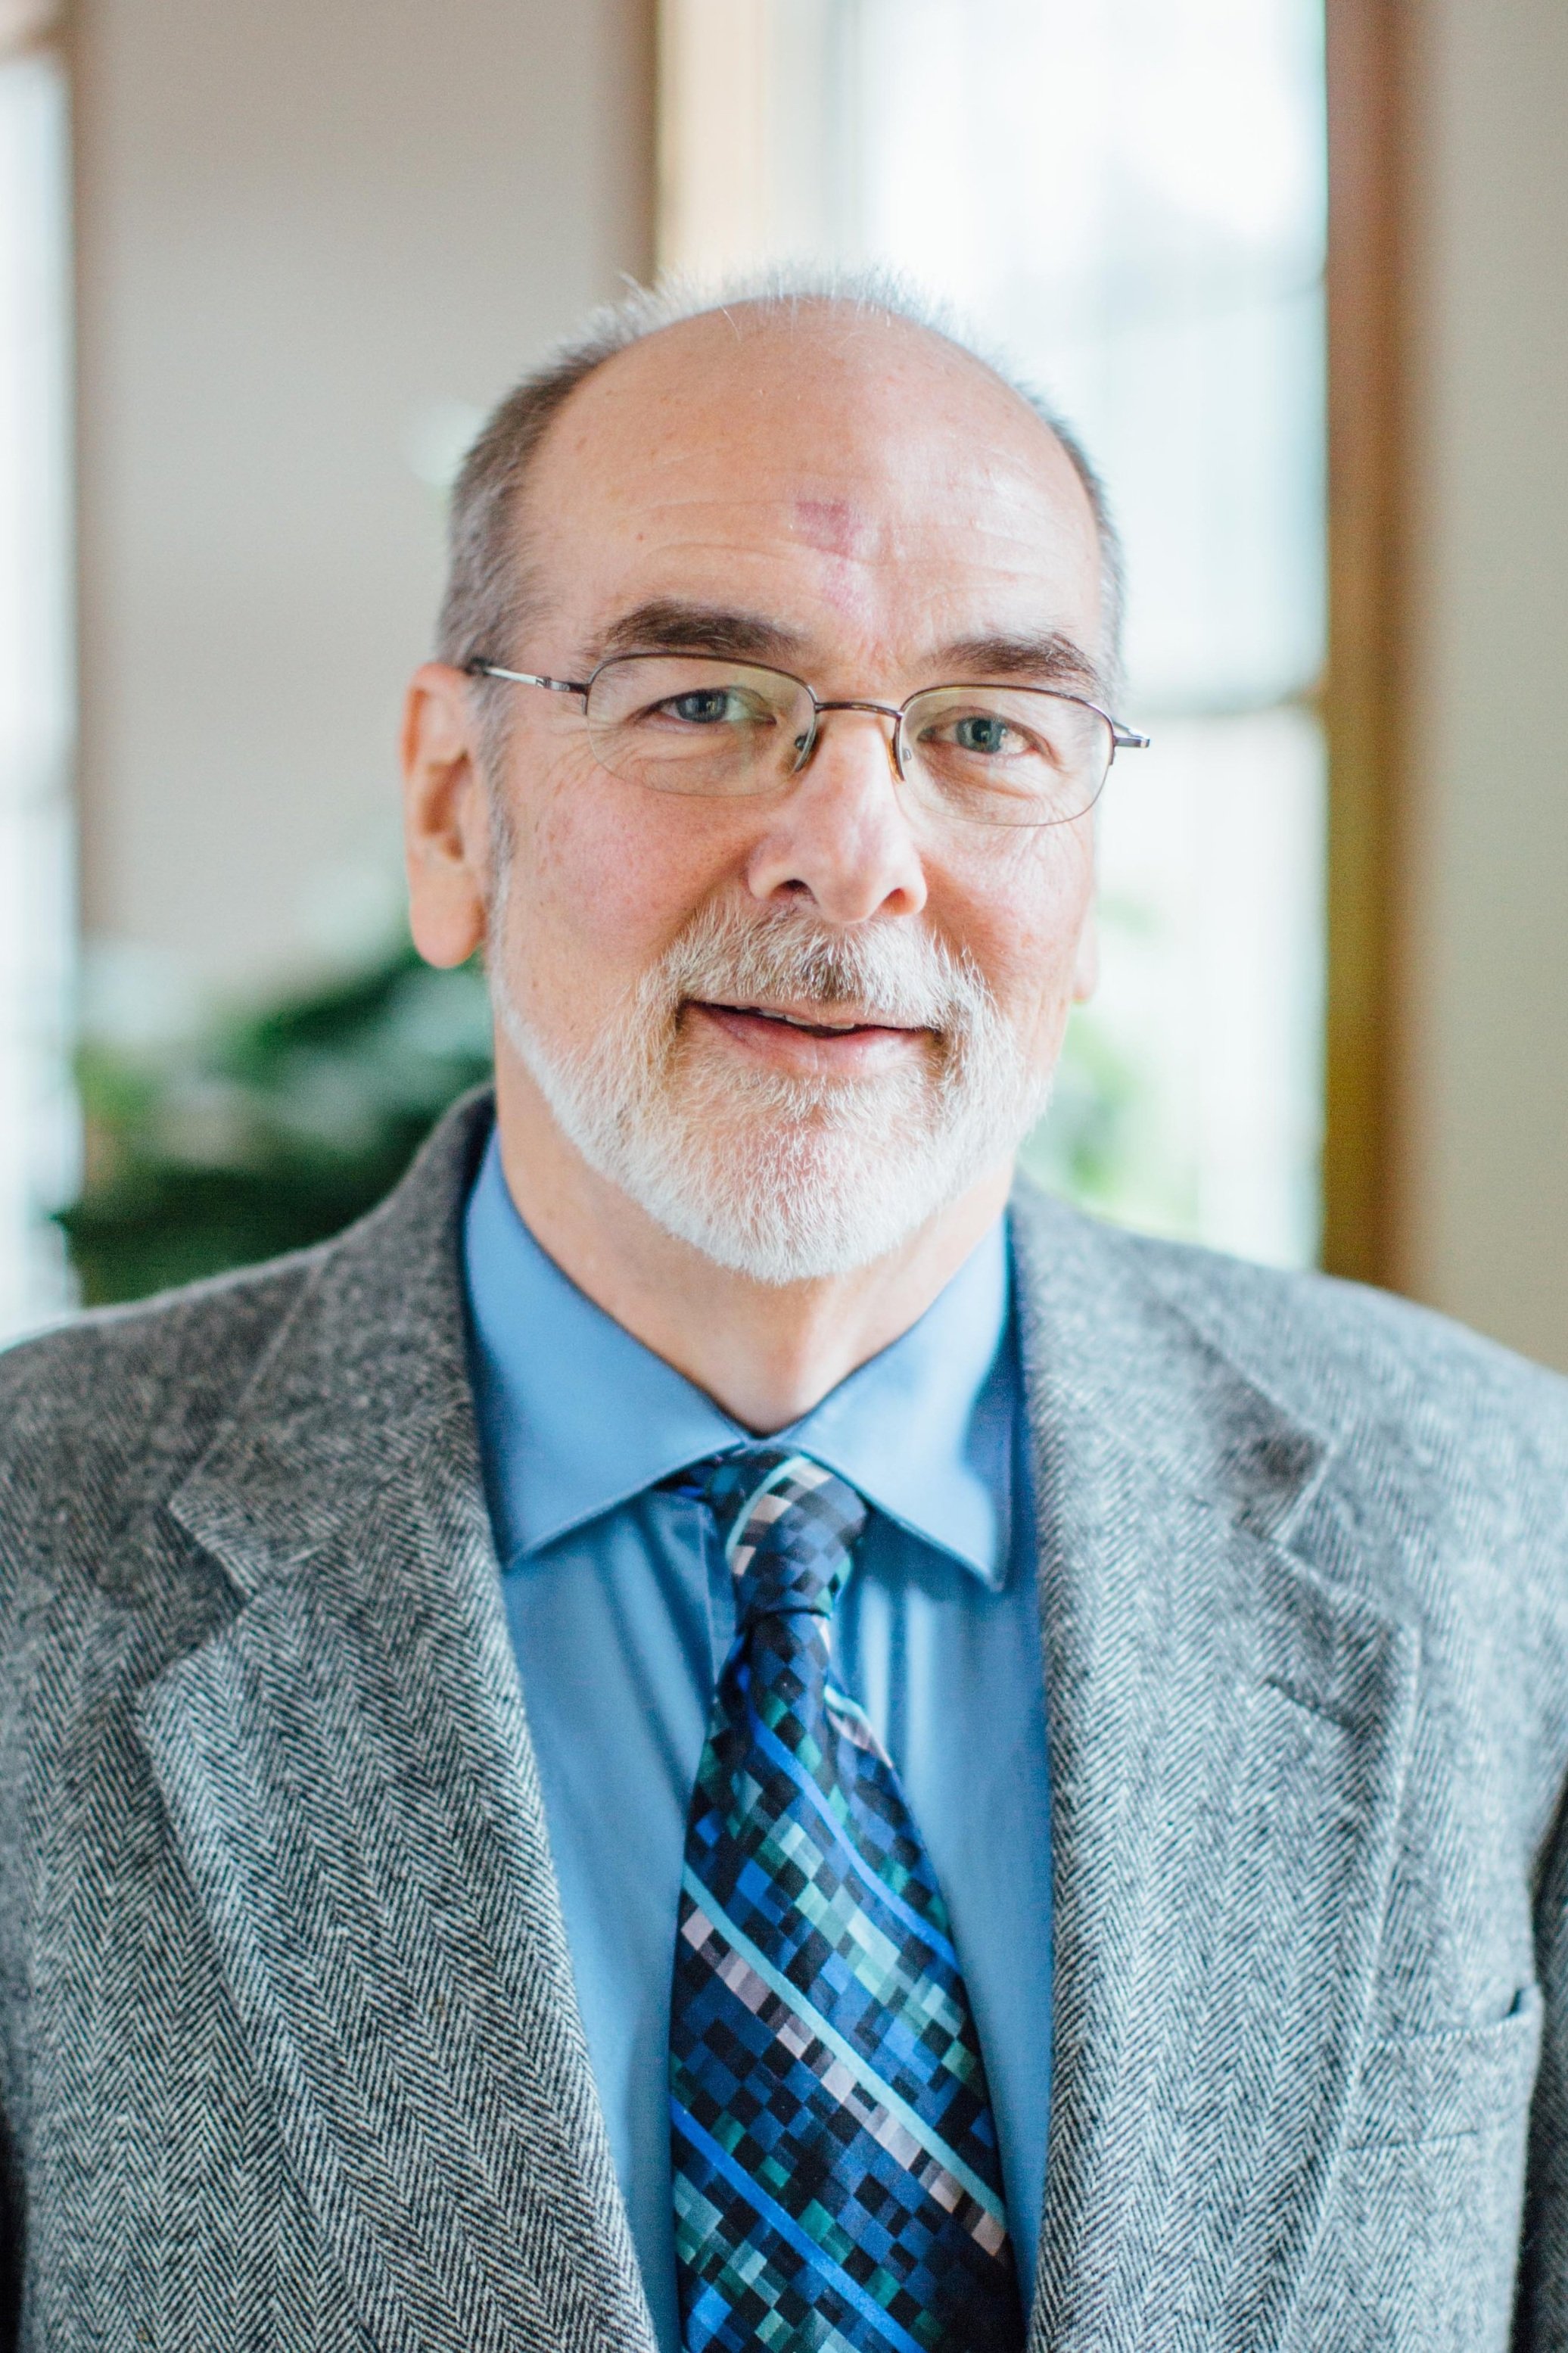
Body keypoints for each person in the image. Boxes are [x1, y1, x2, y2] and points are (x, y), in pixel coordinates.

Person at [2, 275, 1566, 2353]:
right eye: (707, 703)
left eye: (990, 734)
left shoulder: (1502, 1531)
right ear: (451, 803)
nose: (856, 857)